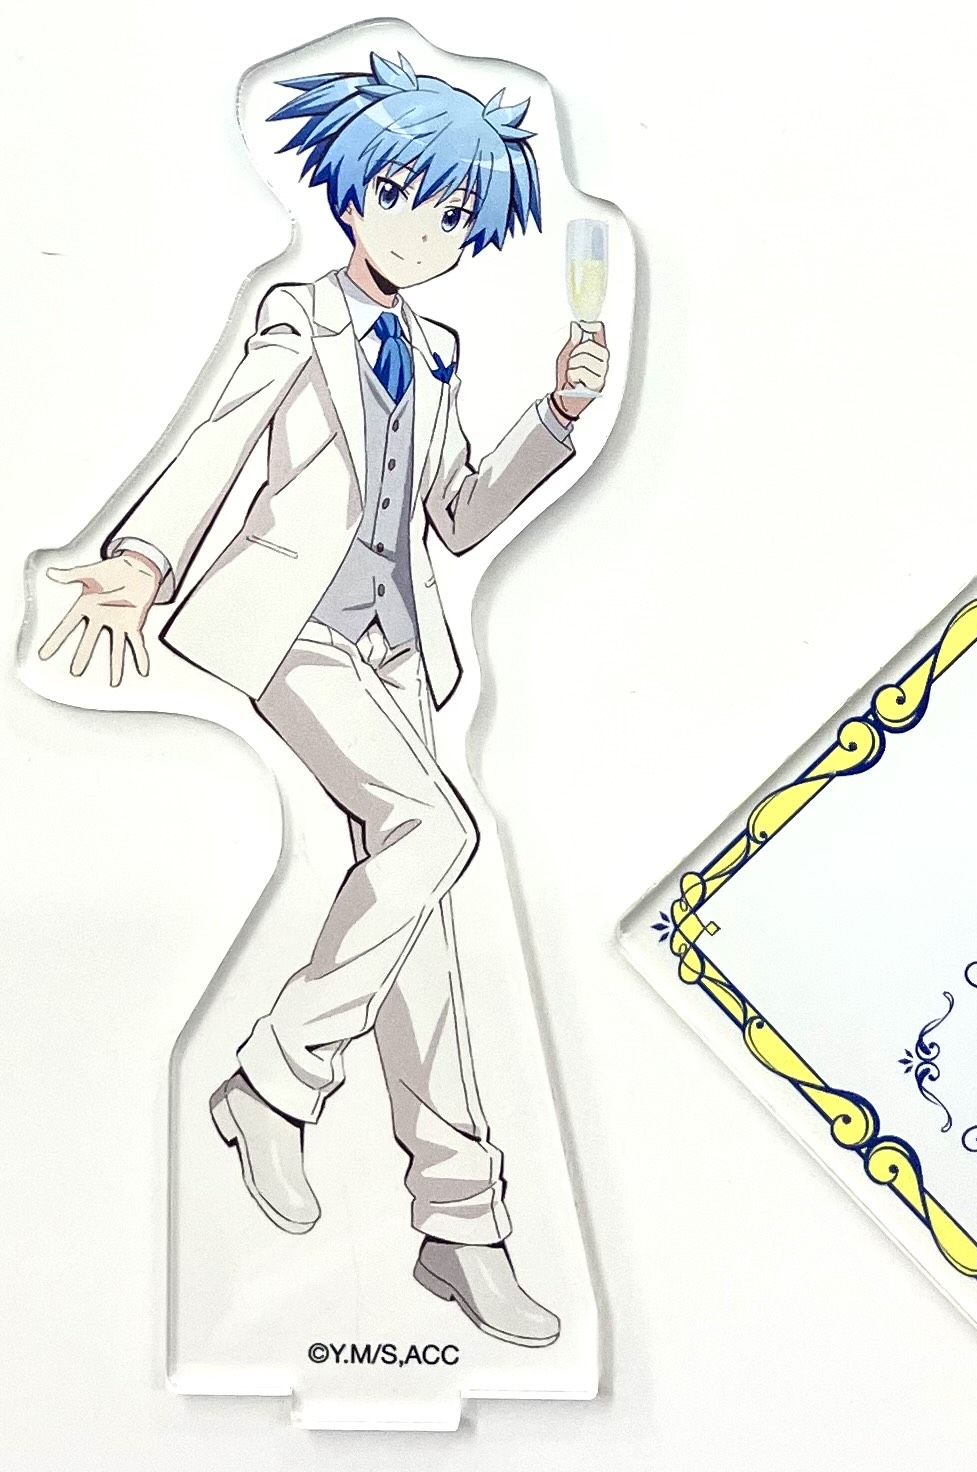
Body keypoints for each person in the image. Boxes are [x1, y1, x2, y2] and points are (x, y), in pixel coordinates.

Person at [36, 51, 610, 1349]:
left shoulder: (441, 350)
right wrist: (145, 560)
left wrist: (556, 416)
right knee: (437, 832)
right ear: (350, 192)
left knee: (420, 926)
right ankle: (277, 1080)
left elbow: (454, 517)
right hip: (295, 631)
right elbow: (220, 440)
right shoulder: (297, 314)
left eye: (452, 214)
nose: (423, 229)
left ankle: (462, 1231)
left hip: (398, 653)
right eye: (401, 195)